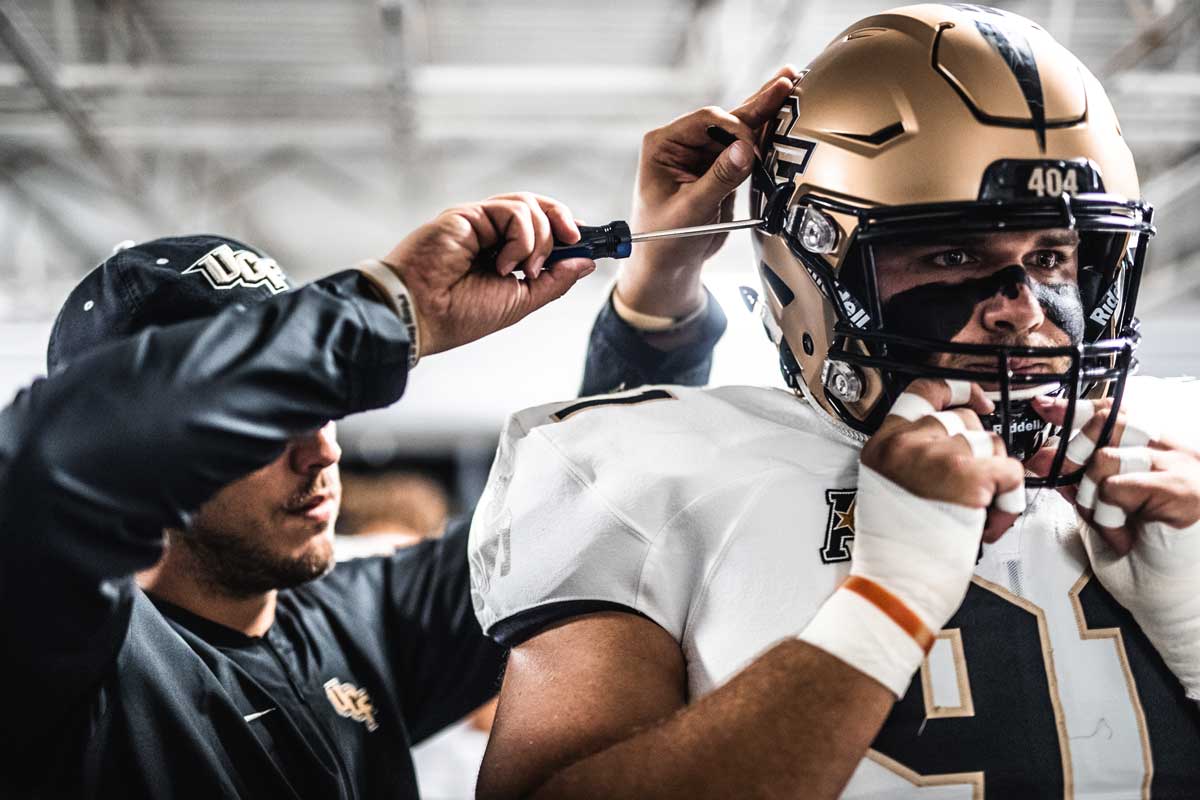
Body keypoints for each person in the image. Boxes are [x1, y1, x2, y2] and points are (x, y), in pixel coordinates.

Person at [469, 6, 1200, 798]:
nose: (1023, 308)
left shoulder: (1177, 445)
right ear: (811, 261)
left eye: (1055, 257)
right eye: (953, 253)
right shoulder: (648, 466)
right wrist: (883, 609)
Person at [0, 187, 730, 798]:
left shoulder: (363, 621)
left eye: (321, 409)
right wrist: (390, 305)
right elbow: (44, 464)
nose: (322, 450)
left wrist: (661, 283)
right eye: (265, 423)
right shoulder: (67, 670)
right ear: (156, 444)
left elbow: (586, 497)